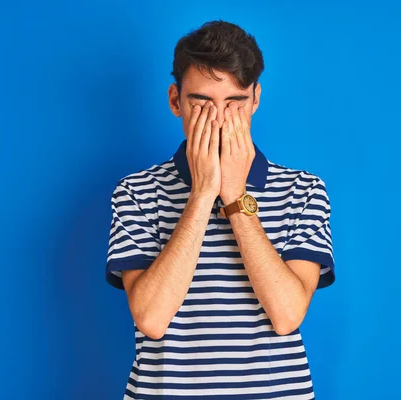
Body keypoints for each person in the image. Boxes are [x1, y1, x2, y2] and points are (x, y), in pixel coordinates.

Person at [105, 20, 335, 399]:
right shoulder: (135, 192)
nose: (218, 118)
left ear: (256, 98)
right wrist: (202, 193)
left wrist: (234, 196)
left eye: (234, 103)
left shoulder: (304, 191)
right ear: (175, 101)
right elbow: (150, 318)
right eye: (201, 102)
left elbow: (287, 314)